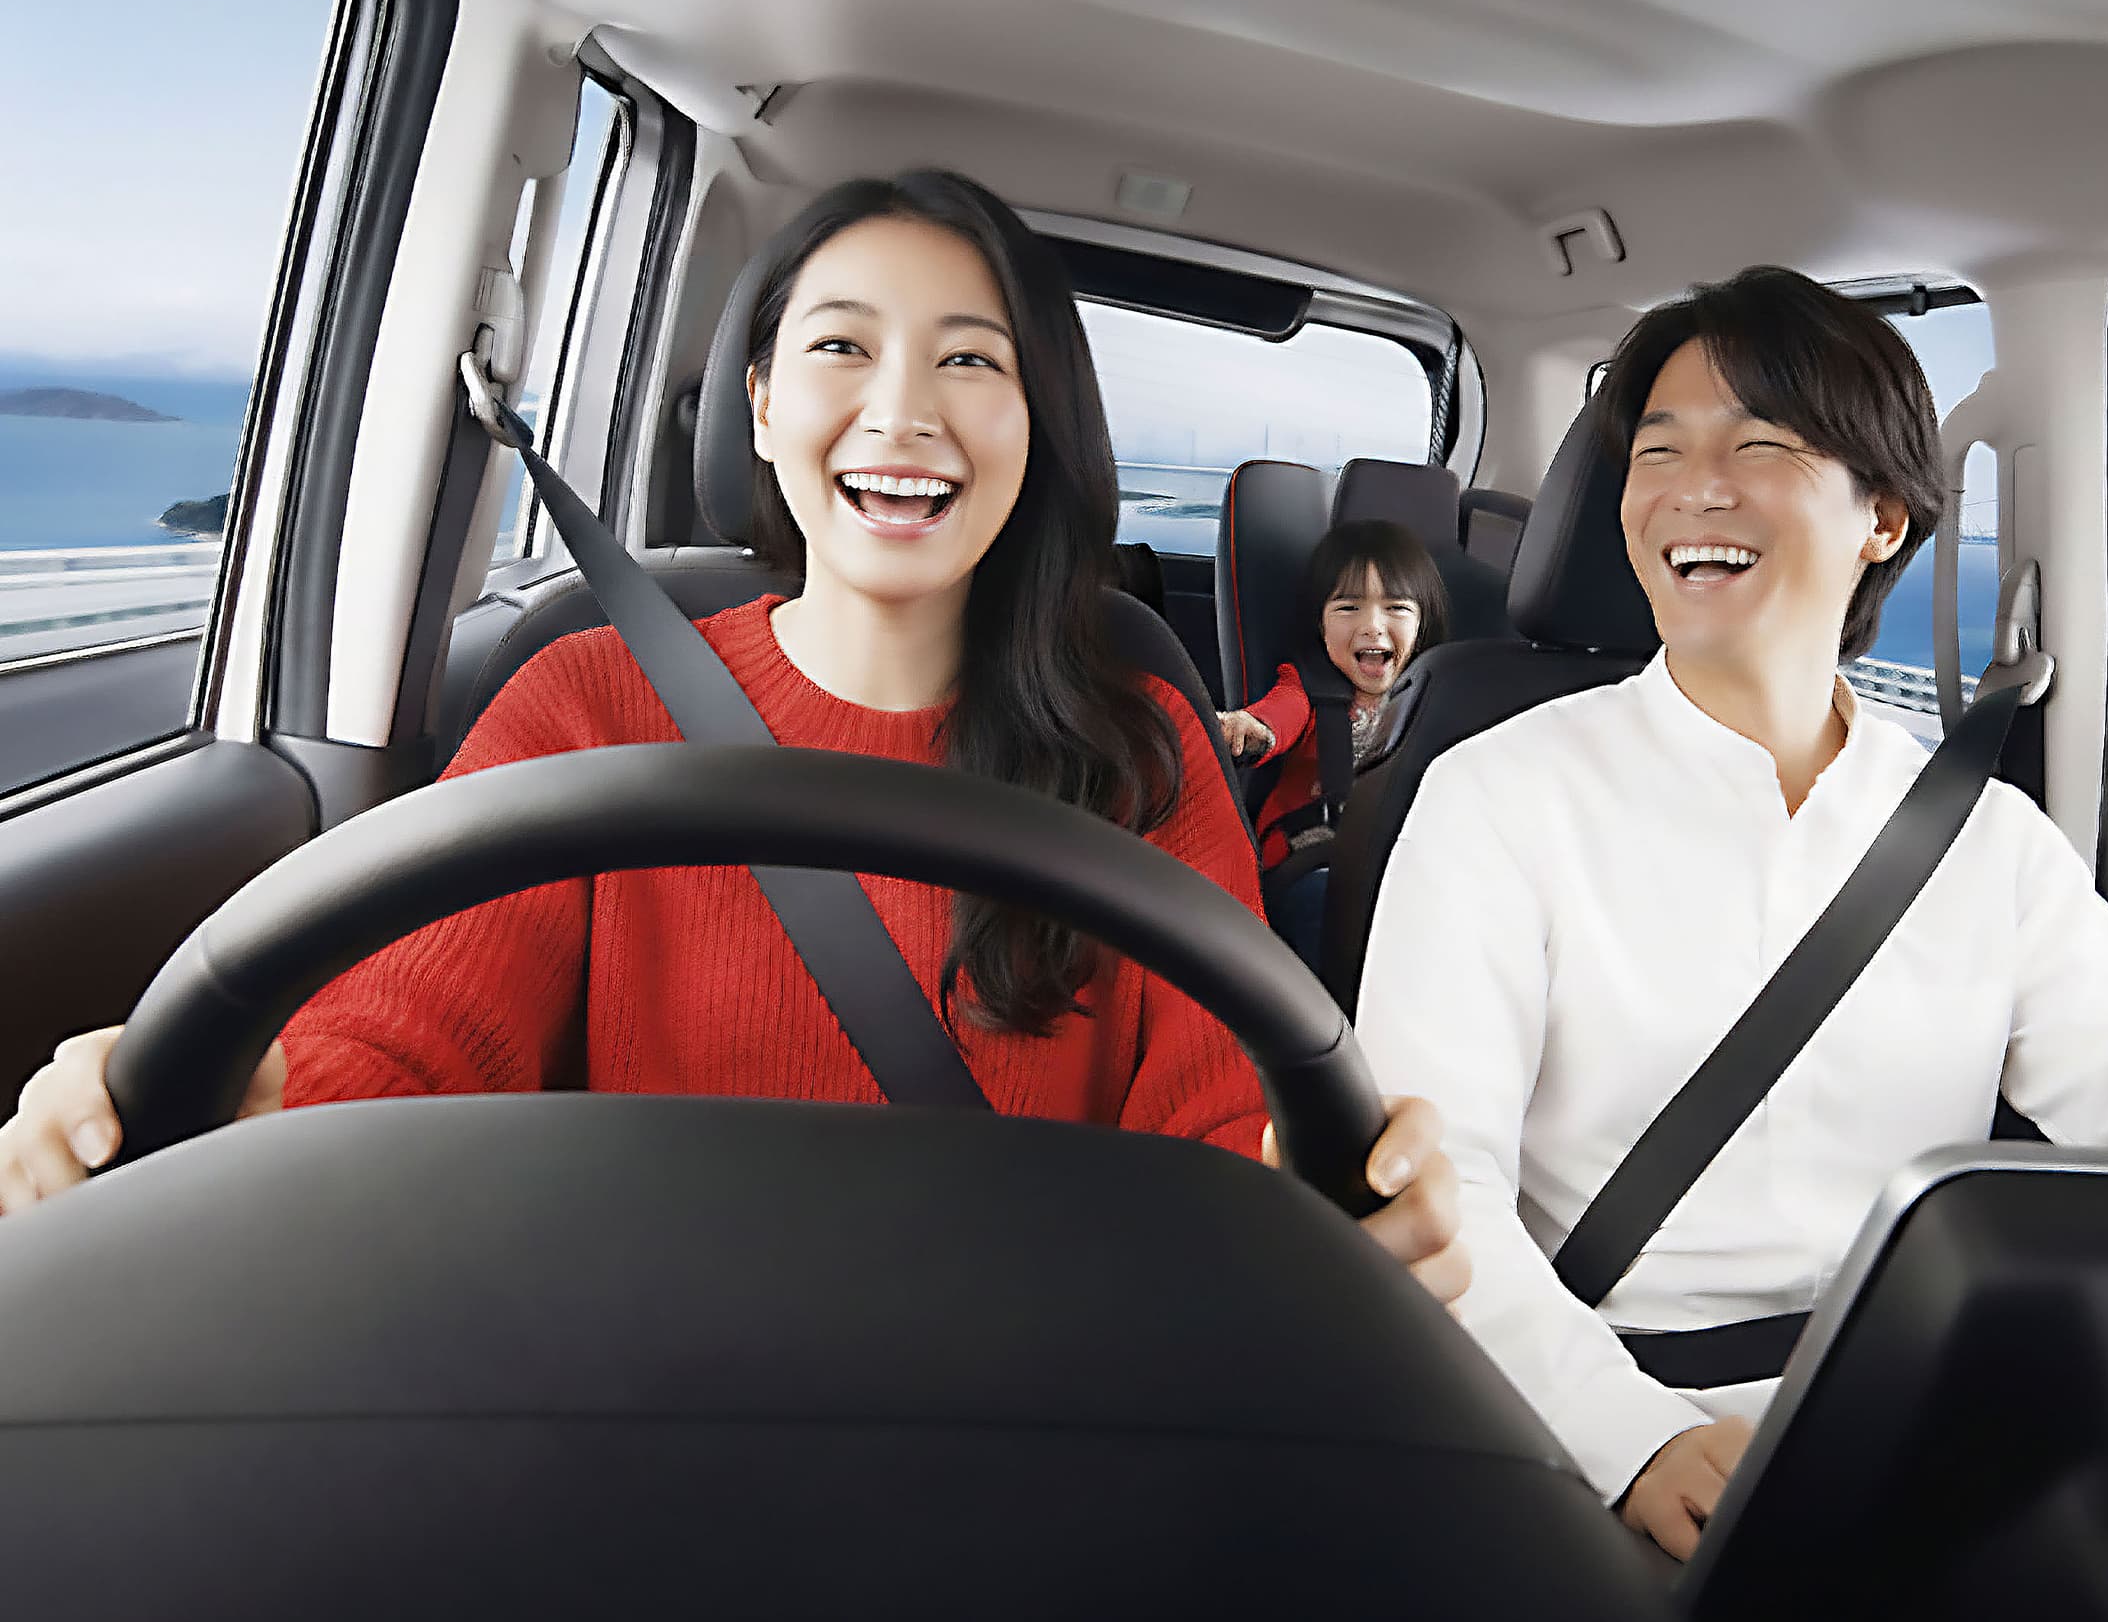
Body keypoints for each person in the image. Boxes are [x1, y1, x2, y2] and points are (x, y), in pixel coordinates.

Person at [0, 171, 1468, 1308]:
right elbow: (408, 1039)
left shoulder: (1143, 747)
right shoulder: (585, 701)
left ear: (1036, 426)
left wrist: (1316, 1198)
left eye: (972, 362)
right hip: (633, 1387)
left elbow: (1223, 1118)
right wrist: (244, 1106)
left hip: (1025, 1401)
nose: (903, 410)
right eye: (842, 348)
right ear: (762, 406)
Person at [1352, 265, 2108, 1559]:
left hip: (1924, 1430)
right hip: (1572, 1433)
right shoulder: (1497, 795)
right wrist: (1629, 1436)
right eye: (1658, 450)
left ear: (1884, 516)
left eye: (1760, 444)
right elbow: (1437, 1193)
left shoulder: (1986, 838)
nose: (1693, 487)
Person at [1219, 519, 1449, 968]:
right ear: (1320, 625)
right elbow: (1278, 714)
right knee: (1326, 907)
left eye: (1396, 608)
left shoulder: (1437, 696)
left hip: (1400, 863)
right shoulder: (1307, 686)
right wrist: (1252, 727)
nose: (1372, 626)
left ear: (1423, 624)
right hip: (1313, 858)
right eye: (1348, 608)